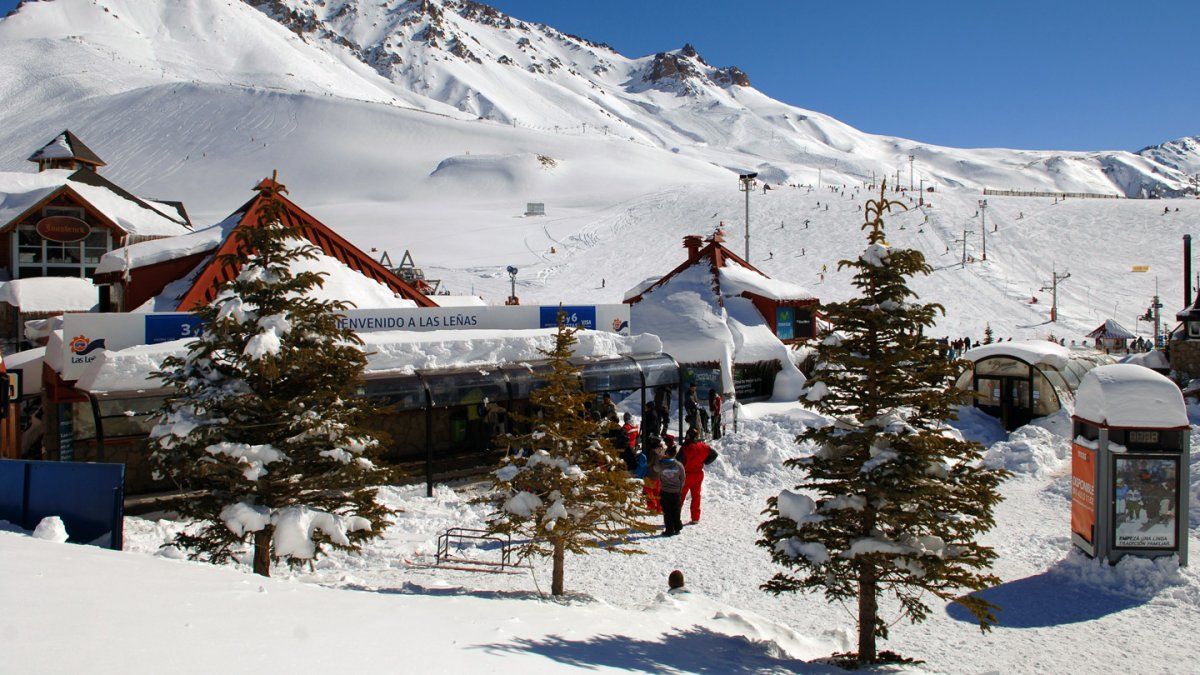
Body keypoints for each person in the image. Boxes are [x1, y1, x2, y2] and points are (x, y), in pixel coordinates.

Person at [679, 427, 717, 524]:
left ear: (688, 435)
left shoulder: (685, 447)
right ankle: (695, 517)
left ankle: (675, 516)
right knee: (696, 496)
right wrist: (705, 461)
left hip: (686, 474)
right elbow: (714, 454)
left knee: (680, 496)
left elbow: (678, 461)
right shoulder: (703, 446)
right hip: (698, 474)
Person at [657, 445, 686, 536]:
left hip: (665, 490)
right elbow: (683, 478)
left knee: (667, 511)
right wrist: (680, 488)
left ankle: (669, 530)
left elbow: (655, 469)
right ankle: (677, 527)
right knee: (676, 509)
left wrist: (660, 459)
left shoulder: (661, 464)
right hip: (676, 491)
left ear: (666, 453)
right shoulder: (679, 465)